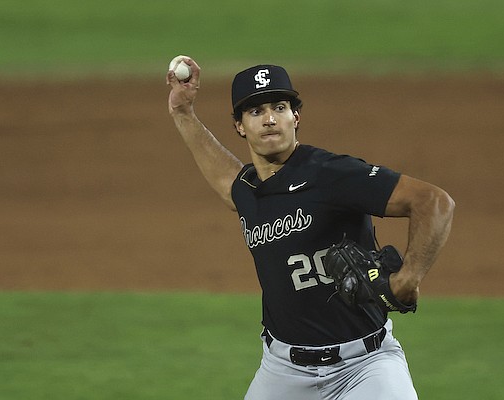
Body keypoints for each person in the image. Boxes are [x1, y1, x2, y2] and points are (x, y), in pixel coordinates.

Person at [167, 57, 454, 400]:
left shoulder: (332, 174)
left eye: (279, 106)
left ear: (295, 117)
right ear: (240, 126)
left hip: (365, 367)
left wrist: (410, 276)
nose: (270, 118)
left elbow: (434, 202)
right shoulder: (249, 189)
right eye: (256, 111)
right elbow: (227, 181)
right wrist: (183, 114)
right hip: (281, 371)